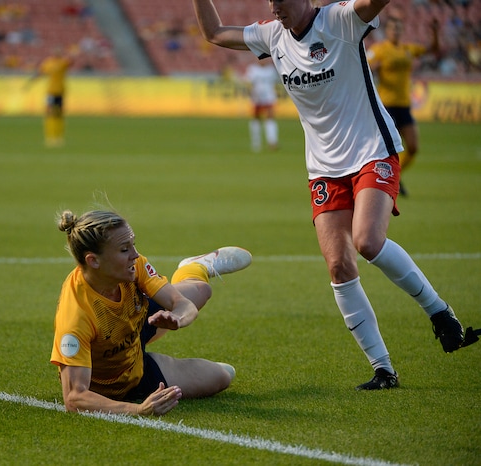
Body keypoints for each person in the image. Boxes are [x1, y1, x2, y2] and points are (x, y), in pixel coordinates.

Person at [191, 0, 479, 390]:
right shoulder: (271, 35)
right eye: (270, 0)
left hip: (372, 151)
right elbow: (213, 33)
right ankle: (383, 370)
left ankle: (440, 312)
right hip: (323, 169)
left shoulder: (343, 19)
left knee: (367, 241)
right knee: (339, 267)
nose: (275, 7)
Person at [50, 209, 252, 415]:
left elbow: (182, 304)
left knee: (201, 290)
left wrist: (177, 318)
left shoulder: (134, 266)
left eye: (133, 245)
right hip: (125, 376)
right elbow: (75, 398)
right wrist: (138, 409)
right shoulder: (76, 316)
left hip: (137, 328)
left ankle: (192, 269)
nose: (135, 255)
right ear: (93, 261)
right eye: (124, 250)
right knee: (223, 376)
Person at [367, 10, 439, 196]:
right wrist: (375, 68)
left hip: (404, 105)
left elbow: (433, 50)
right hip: (387, 106)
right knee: (385, 151)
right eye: (392, 28)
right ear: (387, 31)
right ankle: (379, 184)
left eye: (399, 29)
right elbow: (366, 67)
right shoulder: (379, 49)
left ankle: (396, 177)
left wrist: (435, 32)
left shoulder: (408, 49)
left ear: (402, 30)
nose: (395, 32)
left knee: (413, 148)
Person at [24, 46, 76, 148]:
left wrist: (70, 53)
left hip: (60, 91)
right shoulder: (48, 63)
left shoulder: (62, 62)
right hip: (50, 92)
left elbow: (71, 62)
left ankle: (58, 137)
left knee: (59, 114)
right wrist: (30, 82)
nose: (57, 53)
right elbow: (40, 73)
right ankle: (49, 137)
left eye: (59, 51)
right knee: (49, 113)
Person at [244, 59, 280, 152]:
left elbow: (276, 83)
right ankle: (256, 143)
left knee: (270, 117)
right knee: (256, 119)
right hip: (256, 98)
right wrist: (251, 94)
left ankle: (272, 142)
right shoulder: (252, 69)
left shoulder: (271, 70)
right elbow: (248, 83)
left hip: (269, 97)